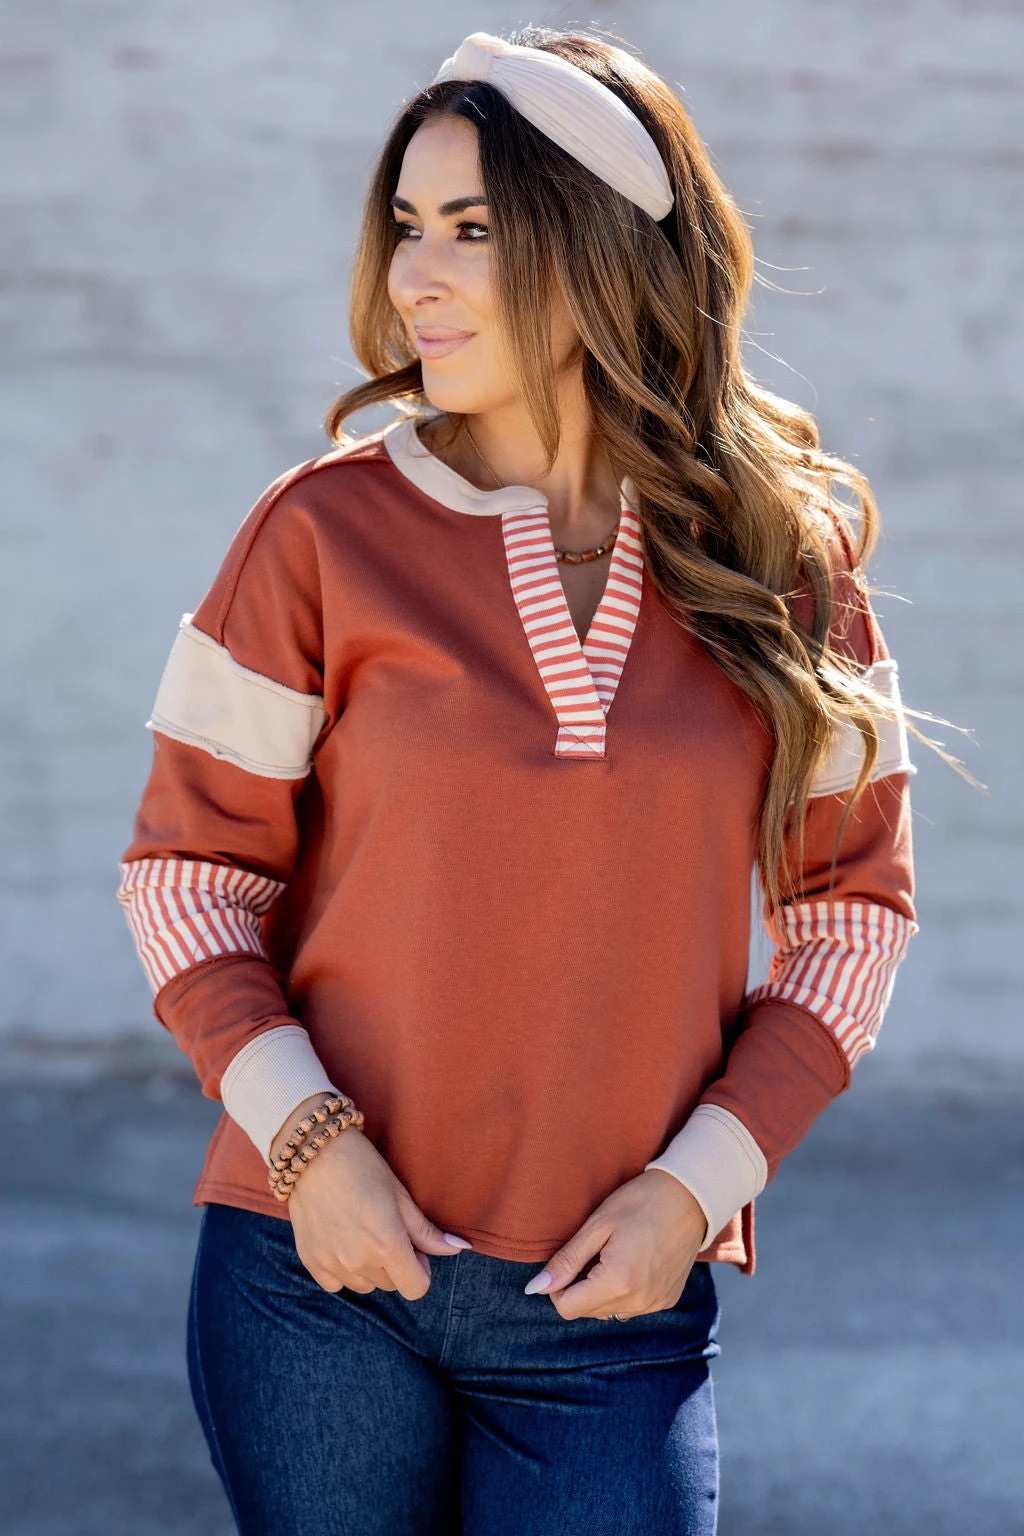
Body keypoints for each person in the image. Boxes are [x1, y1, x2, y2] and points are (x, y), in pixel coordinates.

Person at [116, 26, 918, 1536]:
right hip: (314, 1270)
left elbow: (850, 921)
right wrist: (310, 1146)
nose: (416, 277)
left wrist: (698, 1189)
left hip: (612, 1311)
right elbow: (187, 881)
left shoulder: (783, 565)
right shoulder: (317, 536)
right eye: (407, 226)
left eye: (474, 231)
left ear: (602, 246)